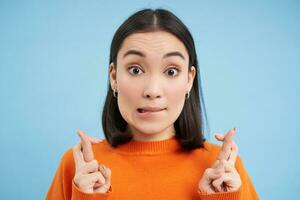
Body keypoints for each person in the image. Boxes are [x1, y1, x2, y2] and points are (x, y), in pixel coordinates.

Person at [46, 8, 259, 200]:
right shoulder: (80, 168)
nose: (153, 91)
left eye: (171, 71)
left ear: (189, 79)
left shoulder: (224, 171)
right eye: (135, 70)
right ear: (113, 76)